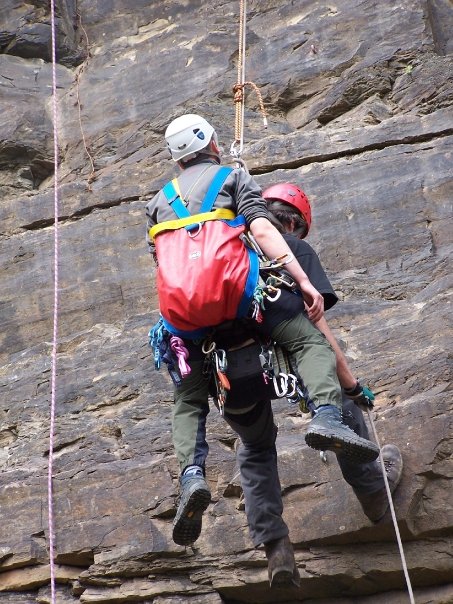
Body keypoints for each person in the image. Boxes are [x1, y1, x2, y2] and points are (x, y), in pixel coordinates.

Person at [145, 114, 379, 584]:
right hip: (252, 313)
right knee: (313, 351)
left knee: (228, 426)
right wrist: (304, 283)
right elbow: (270, 242)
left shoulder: (157, 203)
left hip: (193, 330)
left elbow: (171, 264)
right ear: (212, 141)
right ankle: (338, 436)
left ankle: (253, 531)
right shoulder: (238, 183)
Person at [261, 183, 404, 525]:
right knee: (340, 399)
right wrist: (353, 384)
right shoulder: (294, 248)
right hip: (290, 339)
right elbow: (318, 331)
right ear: (293, 224)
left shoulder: (236, 251)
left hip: (238, 348)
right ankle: (373, 491)